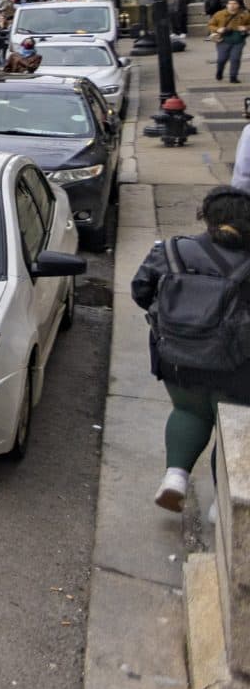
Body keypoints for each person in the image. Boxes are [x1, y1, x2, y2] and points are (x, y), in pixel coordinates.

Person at [131, 185, 250, 512]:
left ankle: (175, 476)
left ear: (206, 216)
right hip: (237, 368)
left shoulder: (172, 251)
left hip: (178, 360)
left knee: (188, 412)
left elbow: (140, 290)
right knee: (233, 425)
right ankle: (221, 507)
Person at [211, 0, 250, 83]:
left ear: (238, 5)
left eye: (234, 4)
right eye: (230, 3)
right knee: (221, 59)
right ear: (227, 5)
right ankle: (219, 72)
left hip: (238, 40)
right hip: (223, 40)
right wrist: (217, 29)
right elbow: (211, 25)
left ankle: (233, 77)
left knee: (235, 59)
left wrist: (245, 27)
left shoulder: (244, 15)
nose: (232, 5)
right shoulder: (219, 14)